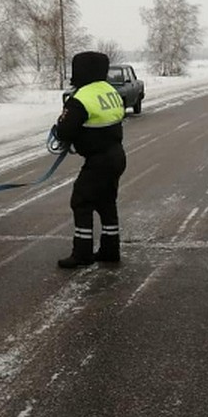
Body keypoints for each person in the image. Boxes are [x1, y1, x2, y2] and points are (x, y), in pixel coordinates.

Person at [52, 51, 126, 268]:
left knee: (81, 201)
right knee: (106, 202)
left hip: (98, 161)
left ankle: (82, 253)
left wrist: (65, 132)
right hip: (117, 155)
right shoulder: (109, 91)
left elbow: (64, 131)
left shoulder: (81, 97)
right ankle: (110, 249)